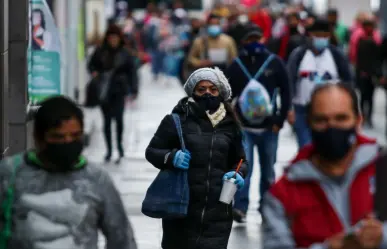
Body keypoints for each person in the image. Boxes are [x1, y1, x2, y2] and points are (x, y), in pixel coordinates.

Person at [0, 96, 137, 249]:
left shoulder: (96, 179)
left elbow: (121, 239)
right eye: (58, 137)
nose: (67, 142)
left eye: (75, 136)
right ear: (38, 138)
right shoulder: (9, 174)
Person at [262, 83, 386, 249]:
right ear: (309, 123)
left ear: (358, 121)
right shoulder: (283, 194)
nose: (331, 127)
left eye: (341, 118)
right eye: (321, 120)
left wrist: (382, 237)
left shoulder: (382, 170)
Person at [145, 67, 248, 249]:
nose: (208, 93)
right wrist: (171, 157)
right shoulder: (177, 120)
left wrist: (237, 173)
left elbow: (241, 160)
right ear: (193, 91)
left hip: (218, 213)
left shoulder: (231, 125)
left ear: (220, 92)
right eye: (202, 89)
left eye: (213, 89)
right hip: (181, 210)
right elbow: (152, 151)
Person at [225, 23, 291, 222]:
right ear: (243, 42)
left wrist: (280, 118)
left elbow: (286, 91)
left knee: (268, 170)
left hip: (269, 127)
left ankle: (266, 207)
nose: (254, 43)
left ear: (263, 39)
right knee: (244, 169)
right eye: (250, 39)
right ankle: (240, 207)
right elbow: (227, 95)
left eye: (257, 39)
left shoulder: (274, 63)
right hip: (244, 128)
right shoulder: (236, 65)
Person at [287, 18, 352, 149]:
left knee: (327, 147)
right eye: (318, 36)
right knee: (305, 147)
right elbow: (290, 81)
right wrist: (289, 109)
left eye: (324, 36)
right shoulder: (299, 54)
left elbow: (348, 81)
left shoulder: (336, 55)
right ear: (311, 35)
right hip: (303, 109)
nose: (321, 39)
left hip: (331, 110)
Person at [88, 25, 136, 164]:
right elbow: (91, 65)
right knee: (107, 121)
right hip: (104, 90)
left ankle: (120, 147)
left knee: (119, 119)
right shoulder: (100, 51)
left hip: (119, 90)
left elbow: (132, 72)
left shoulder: (125, 53)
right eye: (111, 38)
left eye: (115, 38)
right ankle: (109, 150)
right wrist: (95, 72)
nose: (113, 40)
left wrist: (134, 89)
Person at [355, 18, 383, 128]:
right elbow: (358, 59)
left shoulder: (376, 41)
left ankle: (369, 117)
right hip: (363, 73)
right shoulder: (361, 41)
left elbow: (377, 60)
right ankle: (363, 117)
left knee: (370, 97)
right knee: (363, 97)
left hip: (371, 74)